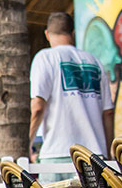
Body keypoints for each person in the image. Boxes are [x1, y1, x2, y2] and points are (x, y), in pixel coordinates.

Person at [30, 11, 114, 161]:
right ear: (73, 34)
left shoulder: (45, 57)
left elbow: (37, 107)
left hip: (58, 153)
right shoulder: (95, 62)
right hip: (95, 155)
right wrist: (107, 153)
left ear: (47, 34)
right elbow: (108, 113)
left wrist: (27, 144)